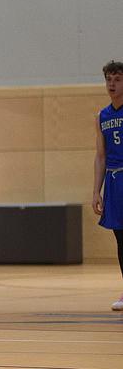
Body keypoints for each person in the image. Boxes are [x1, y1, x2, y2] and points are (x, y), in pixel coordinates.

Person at [92, 60, 123, 312]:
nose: (112, 84)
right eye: (109, 79)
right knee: (120, 239)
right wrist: (96, 191)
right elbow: (100, 155)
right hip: (114, 182)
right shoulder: (102, 116)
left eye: (117, 79)